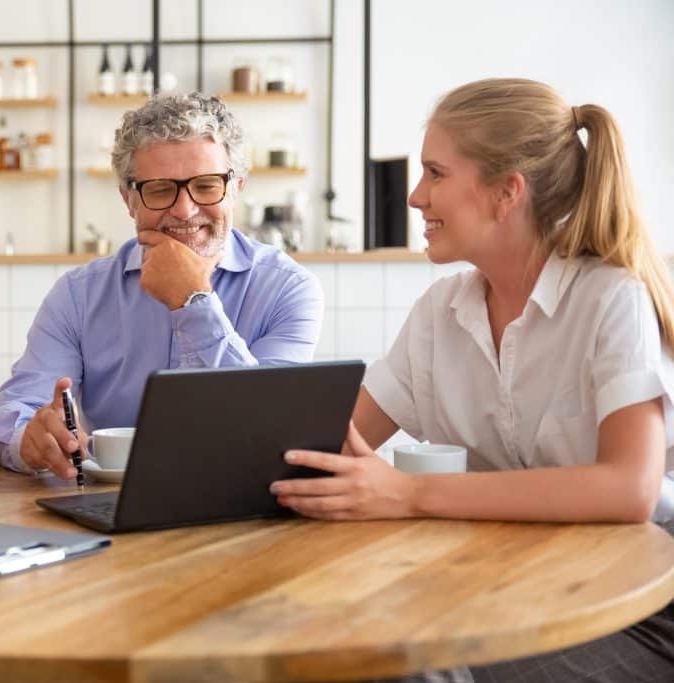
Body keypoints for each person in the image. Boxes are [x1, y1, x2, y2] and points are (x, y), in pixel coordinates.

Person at [271, 78, 674, 682]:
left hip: (639, 604)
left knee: (411, 667)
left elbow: (628, 490)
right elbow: (330, 444)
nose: (415, 197)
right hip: (518, 586)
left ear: (507, 192)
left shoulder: (610, 299)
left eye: (435, 173)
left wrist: (408, 495)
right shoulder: (440, 313)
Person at [0, 92, 323, 478]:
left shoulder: (289, 289)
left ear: (237, 188)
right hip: (111, 499)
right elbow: (7, 420)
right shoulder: (79, 296)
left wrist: (193, 300)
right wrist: (30, 440)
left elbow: (270, 431)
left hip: (244, 498)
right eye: (160, 189)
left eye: (206, 185)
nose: (185, 210)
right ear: (129, 200)